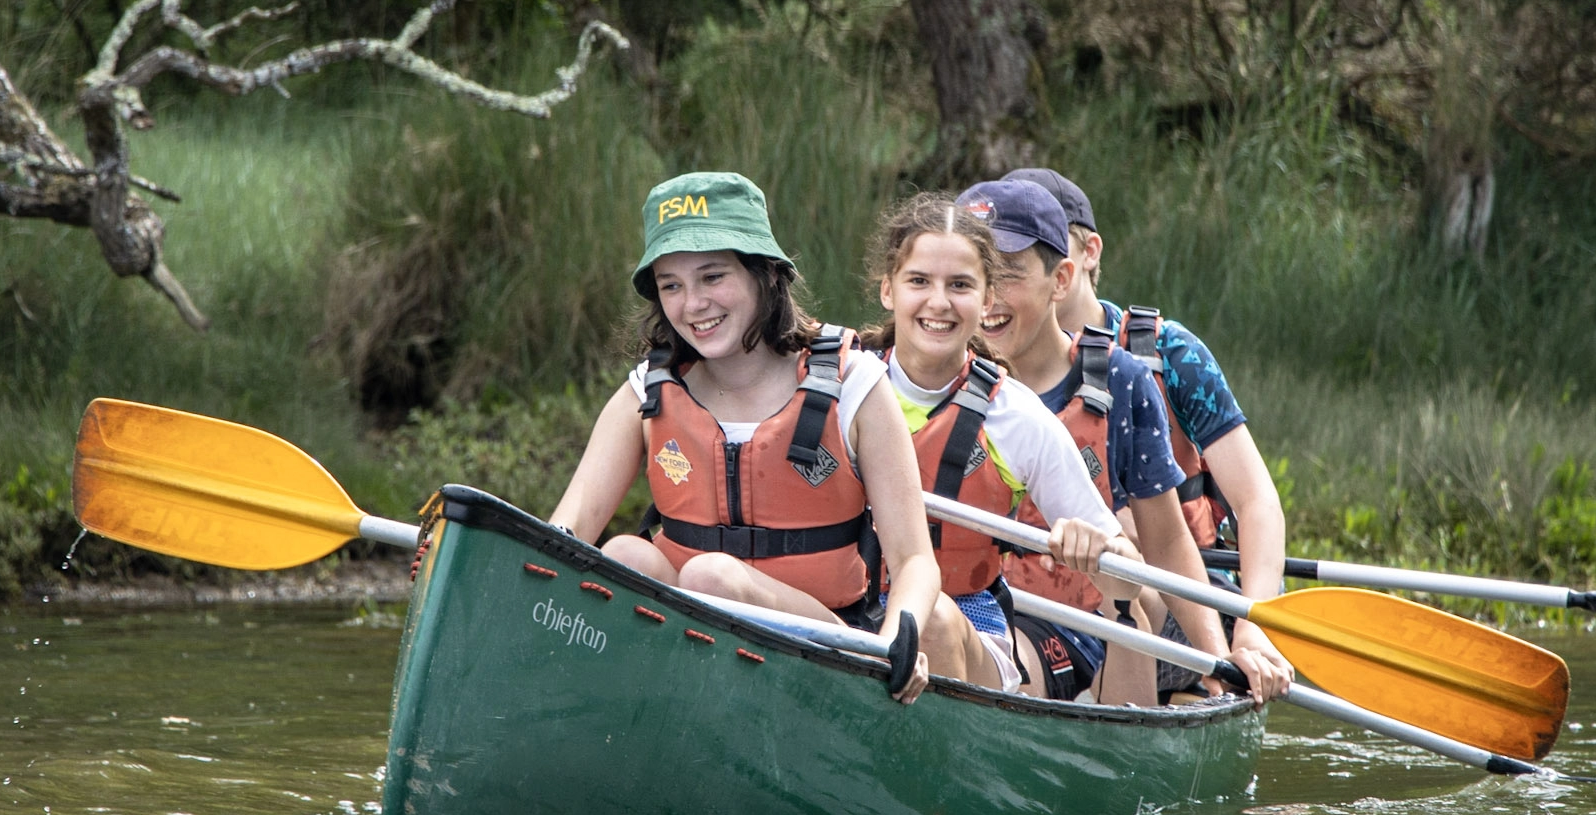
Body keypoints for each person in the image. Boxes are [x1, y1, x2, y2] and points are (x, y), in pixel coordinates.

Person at [548, 171, 956, 703]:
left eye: (713, 276)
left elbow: (914, 561)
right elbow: (567, 529)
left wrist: (894, 642)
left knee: (712, 577)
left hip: (831, 648)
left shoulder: (855, 385)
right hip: (692, 644)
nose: (693, 304)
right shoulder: (646, 393)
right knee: (625, 553)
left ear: (765, 275)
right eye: (672, 285)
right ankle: (642, 713)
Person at [1002, 166, 1295, 703]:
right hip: (1053, 603)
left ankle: (1189, 690)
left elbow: (1257, 503)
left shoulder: (1164, 355)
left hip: (1185, 589)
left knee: (1135, 551)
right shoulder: (982, 366)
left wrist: (1255, 624)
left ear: (1084, 256)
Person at [860, 192, 1144, 697]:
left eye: (961, 285)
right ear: (888, 290)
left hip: (965, 622)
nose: (939, 302)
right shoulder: (842, 382)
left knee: (931, 620)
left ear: (987, 299)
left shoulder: (1016, 417)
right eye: (919, 282)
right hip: (850, 607)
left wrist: (1100, 547)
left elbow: (1127, 582)